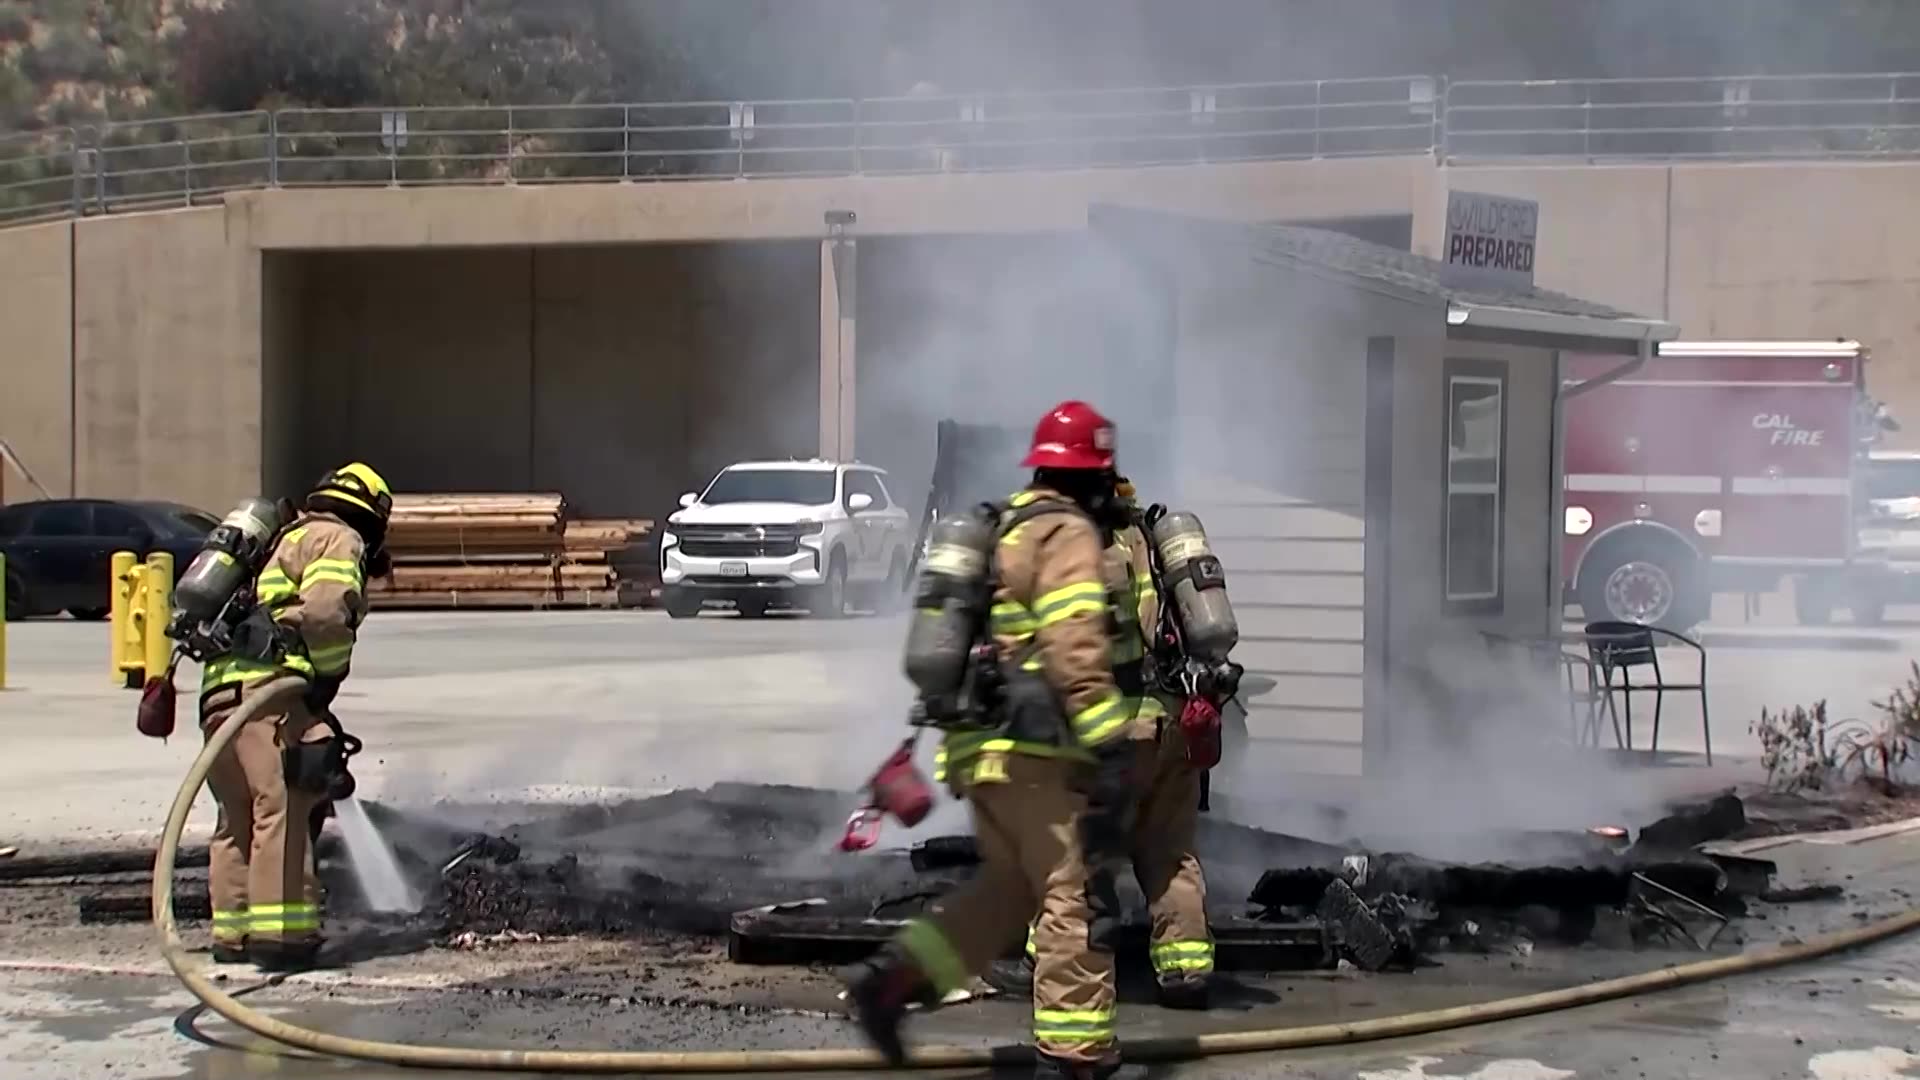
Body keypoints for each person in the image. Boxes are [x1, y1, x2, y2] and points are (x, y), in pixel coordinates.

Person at [845, 401, 1144, 1079]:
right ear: (1092, 476)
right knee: (1073, 897)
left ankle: (892, 983)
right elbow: (1074, 645)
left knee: (1006, 897)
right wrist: (1112, 742)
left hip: (985, 754)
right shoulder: (1066, 531)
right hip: (1039, 755)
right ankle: (1077, 1056)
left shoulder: (1006, 527)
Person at [995, 475, 1215, 1009]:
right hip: (1169, 725)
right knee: (1168, 853)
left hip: (1108, 729)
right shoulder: (1151, 537)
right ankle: (1185, 970)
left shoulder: (1077, 550)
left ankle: (1045, 968)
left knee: (1070, 861)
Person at [199, 462, 391, 971]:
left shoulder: (277, 541)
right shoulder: (336, 539)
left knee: (237, 814)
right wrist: (324, 685)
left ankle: (233, 935)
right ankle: (283, 938)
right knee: (283, 808)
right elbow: (327, 616)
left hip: (220, 694)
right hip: (271, 693)